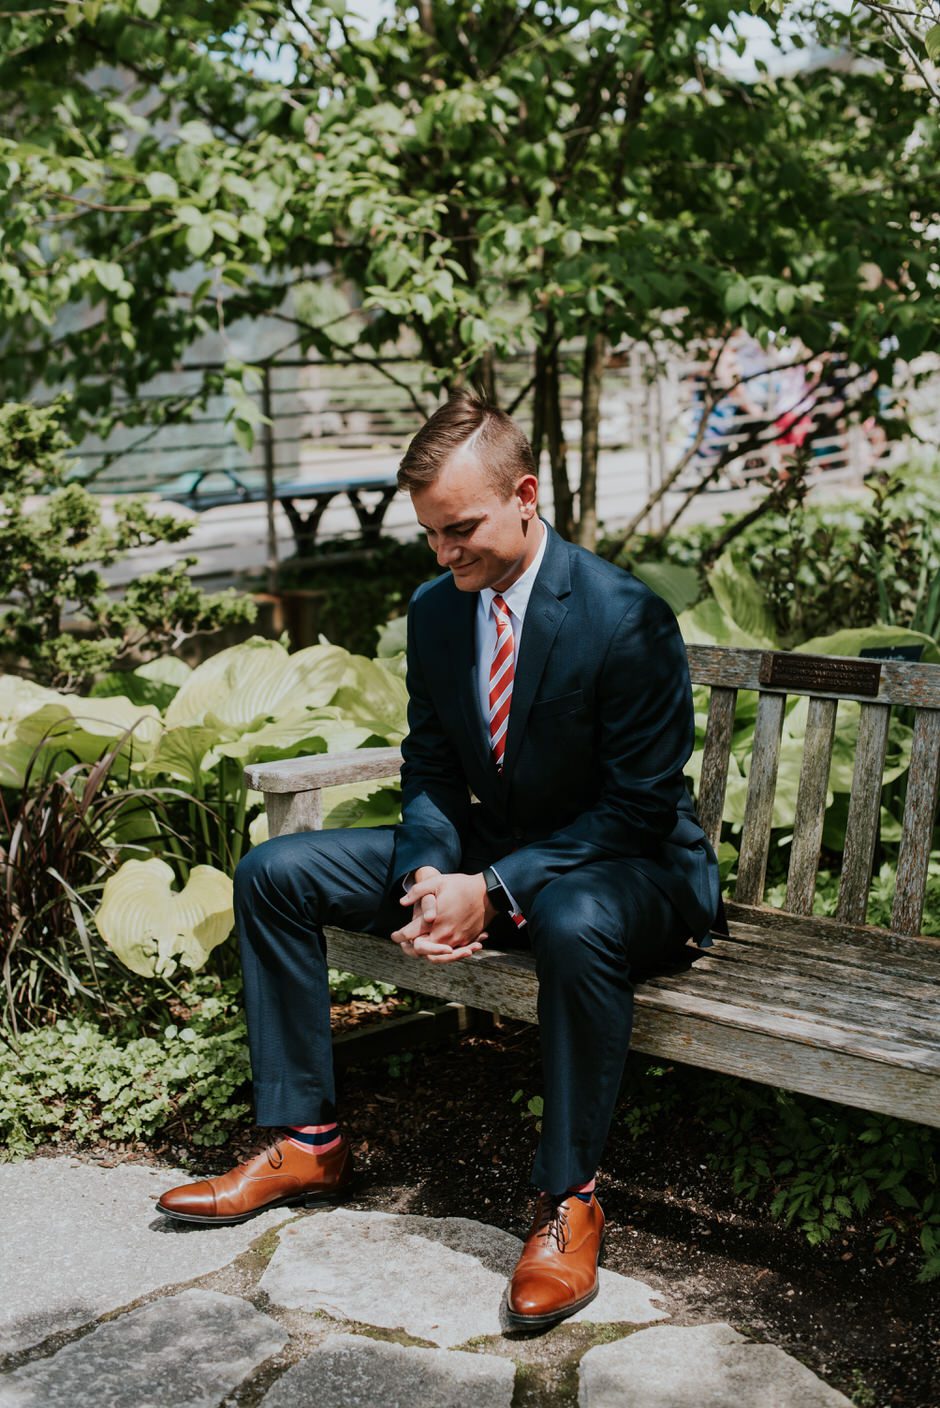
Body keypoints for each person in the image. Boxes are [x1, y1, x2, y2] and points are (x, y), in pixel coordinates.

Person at [158, 391, 725, 1330]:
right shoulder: (437, 610)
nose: (443, 553)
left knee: (574, 918)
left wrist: (492, 889)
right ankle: (308, 1141)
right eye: (429, 535)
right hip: (489, 861)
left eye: (459, 529)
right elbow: (430, 763)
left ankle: (569, 1201)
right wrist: (431, 876)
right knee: (276, 873)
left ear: (526, 495)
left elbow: (634, 809)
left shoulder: (627, 618)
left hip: (635, 874)